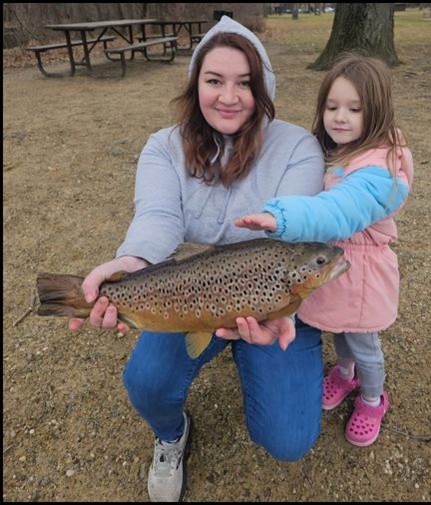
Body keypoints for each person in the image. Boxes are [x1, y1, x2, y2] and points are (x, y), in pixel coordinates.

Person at [68, 16, 326, 502]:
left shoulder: (297, 147)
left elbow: (292, 232)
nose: (229, 96)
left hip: (273, 307)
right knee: (145, 382)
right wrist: (131, 262)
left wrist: (281, 310)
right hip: (186, 294)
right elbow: (158, 216)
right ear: (196, 84)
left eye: (244, 83)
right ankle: (171, 434)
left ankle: (254, 349)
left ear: (263, 87)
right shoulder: (163, 146)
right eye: (214, 81)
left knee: (288, 441)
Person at [236, 54, 414, 448]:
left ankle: (372, 397)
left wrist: (281, 218)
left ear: (378, 113)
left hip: (363, 277)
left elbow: (338, 211)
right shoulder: (336, 152)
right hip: (334, 271)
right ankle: (345, 374)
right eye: (332, 107)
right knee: (338, 334)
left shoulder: (384, 170)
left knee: (364, 343)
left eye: (354, 109)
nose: (340, 117)